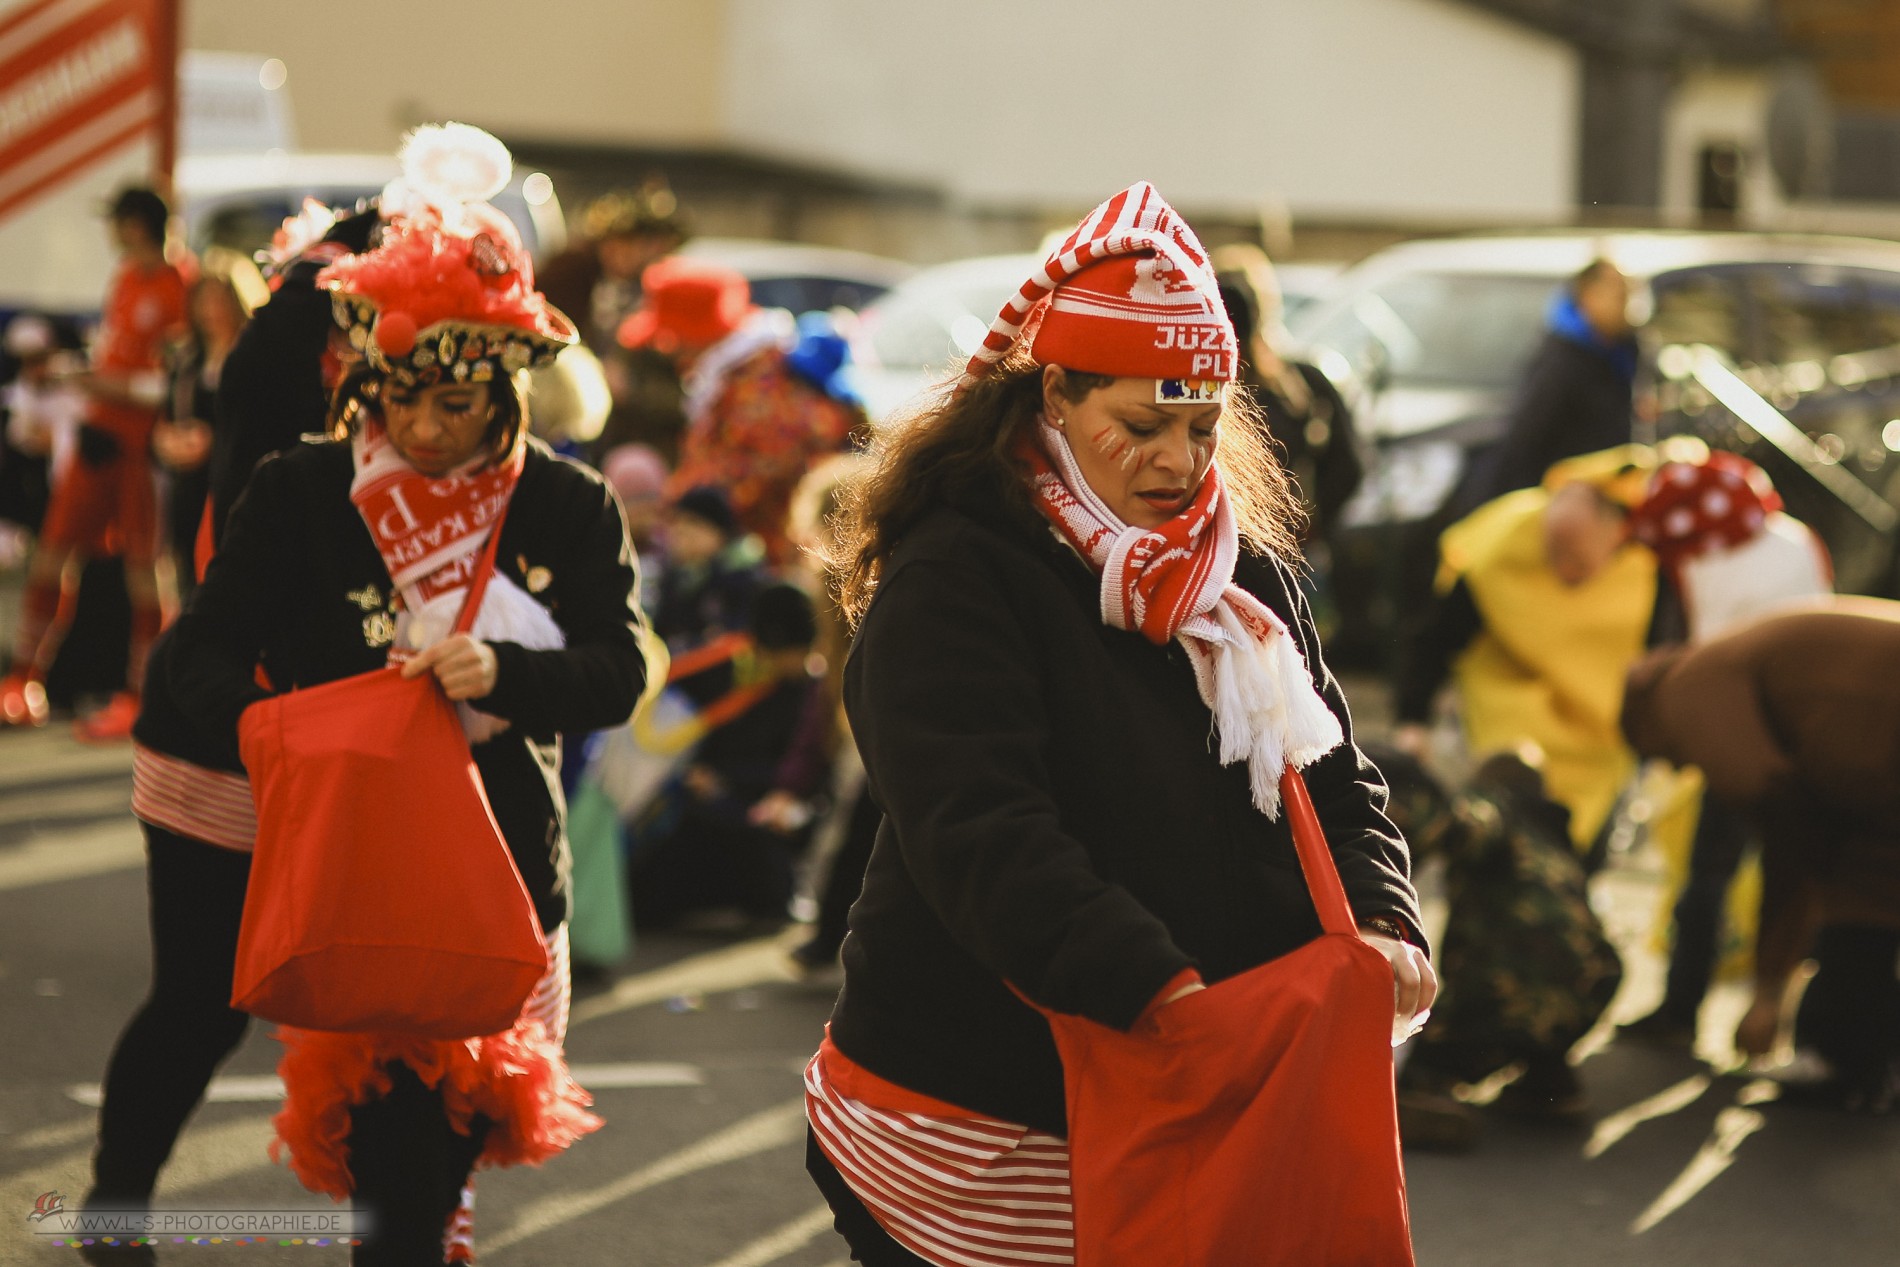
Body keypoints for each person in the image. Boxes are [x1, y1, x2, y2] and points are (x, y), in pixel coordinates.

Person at [799, 183, 1431, 1266]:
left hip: (1202, 1082)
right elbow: (980, 829)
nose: (1180, 464)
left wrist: (1386, 916)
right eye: (1139, 427)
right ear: (1053, 395)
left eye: (1200, 428)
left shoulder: (1243, 574)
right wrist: (1156, 989)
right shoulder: (959, 571)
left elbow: (1331, 772)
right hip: (987, 1104)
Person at [159, 123, 653, 1263]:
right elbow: (199, 650)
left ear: (510, 389)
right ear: (365, 382)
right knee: (393, 1173)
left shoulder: (565, 509)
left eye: (458, 406)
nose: (427, 431)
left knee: (451, 1150)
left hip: (508, 872)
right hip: (351, 867)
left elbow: (620, 671)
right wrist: (277, 730)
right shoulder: (304, 490)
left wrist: (507, 673)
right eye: (401, 402)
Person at [1621, 600, 1900, 1111]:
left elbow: (1784, 824)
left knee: (1854, 897)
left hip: (1876, 755)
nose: (1681, 767)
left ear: (1645, 725)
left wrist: (1768, 992)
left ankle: (1839, 1063)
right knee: (1872, 897)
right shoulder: (1721, 661)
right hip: (1875, 770)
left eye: (1665, 758)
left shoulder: (1688, 691)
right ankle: (1858, 1070)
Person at [1615, 452, 1832, 1046]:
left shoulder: (1702, 559)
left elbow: (1704, 665)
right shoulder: (1794, 538)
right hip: (1814, 728)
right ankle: (1780, 1021)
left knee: (1709, 874)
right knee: (1796, 880)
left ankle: (1681, 1013)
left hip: (1742, 734)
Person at [0, 187, 188, 731]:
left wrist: (103, 383)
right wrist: (77, 373)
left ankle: (143, 695)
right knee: (53, 553)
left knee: (145, 572)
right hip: (99, 438)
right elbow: (115, 355)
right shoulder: (127, 278)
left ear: (137, 224)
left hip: (139, 451)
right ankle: (23, 681)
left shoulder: (178, 284)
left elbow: (167, 385)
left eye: (119, 223)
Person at [1371, 743, 1622, 1149]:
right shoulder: (1554, 836)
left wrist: (1409, 817)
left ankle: (1422, 1097)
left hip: (1505, 989)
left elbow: (1466, 825)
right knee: (1541, 1012)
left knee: (1431, 1059)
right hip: (1593, 986)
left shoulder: (1496, 807)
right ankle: (1548, 1080)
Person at [620, 261, 862, 562]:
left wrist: (672, 505)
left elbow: (751, 479)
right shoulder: (739, 377)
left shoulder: (758, 389)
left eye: (672, 340)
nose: (668, 351)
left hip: (775, 563)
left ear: (698, 335)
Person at [629, 582, 825, 931]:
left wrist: (727, 778)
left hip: (773, 805)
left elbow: (807, 772)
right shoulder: (754, 681)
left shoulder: (814, 696)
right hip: (729, 796)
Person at [146, 249, 267, 618]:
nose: (211, 309)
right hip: (190, 490)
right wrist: (165, 443)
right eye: (204, 299)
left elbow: (262, 426)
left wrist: (216, 442)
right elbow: (164, 418)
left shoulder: (254, 358)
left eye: (220, 299)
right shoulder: (187, 361)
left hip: (237, 488)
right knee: (189, 581)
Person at [1474, 258, 1638, 504]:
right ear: (1588, 297)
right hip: (1564, 500)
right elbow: (1527, 439)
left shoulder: (1617, 351)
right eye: (1618, 297)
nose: (1626, 307)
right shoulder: (1564, 361)